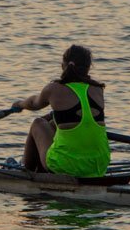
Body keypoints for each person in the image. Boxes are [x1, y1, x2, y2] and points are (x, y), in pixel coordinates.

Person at [12, 44, 111, 178]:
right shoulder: (98, 89)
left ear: (63, 65)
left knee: (38, 123)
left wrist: (19, 104)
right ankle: (41, 169)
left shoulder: (53, 89)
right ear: (88, 68)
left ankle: (25, 171)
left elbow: (33, 104)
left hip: (65, 166)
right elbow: (72, 116)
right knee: (54, 124)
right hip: (99, 165)